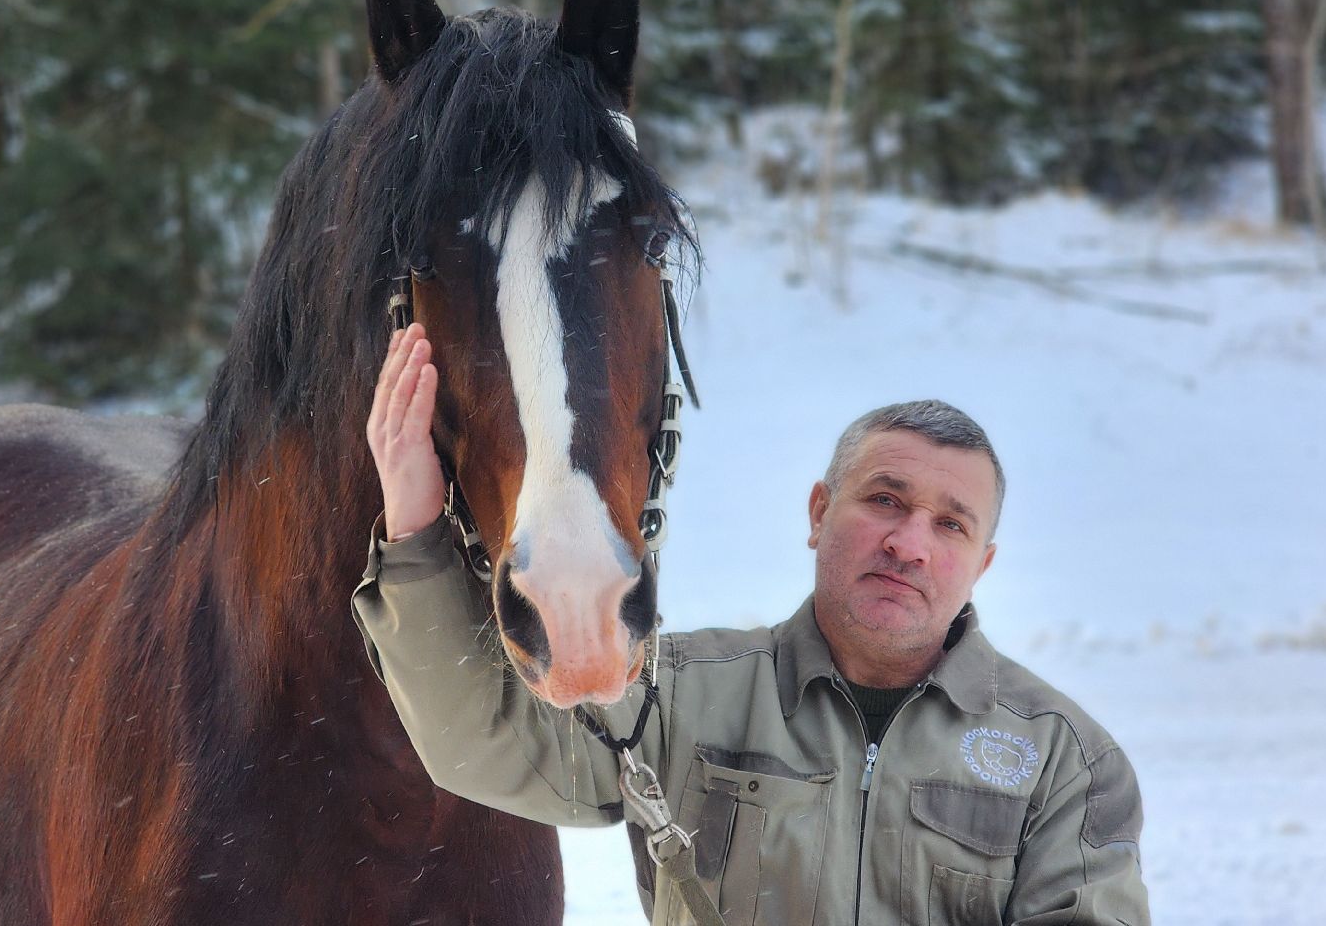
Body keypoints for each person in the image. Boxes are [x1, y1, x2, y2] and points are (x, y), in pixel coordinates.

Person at [354, 324, 1150, 925]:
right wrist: (417, 524)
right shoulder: (674, 697)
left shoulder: (1065, 761)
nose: (909, 544)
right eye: (885, 500)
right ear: (817, 513)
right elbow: (479, 743)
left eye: (951, 525)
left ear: (983, 562)